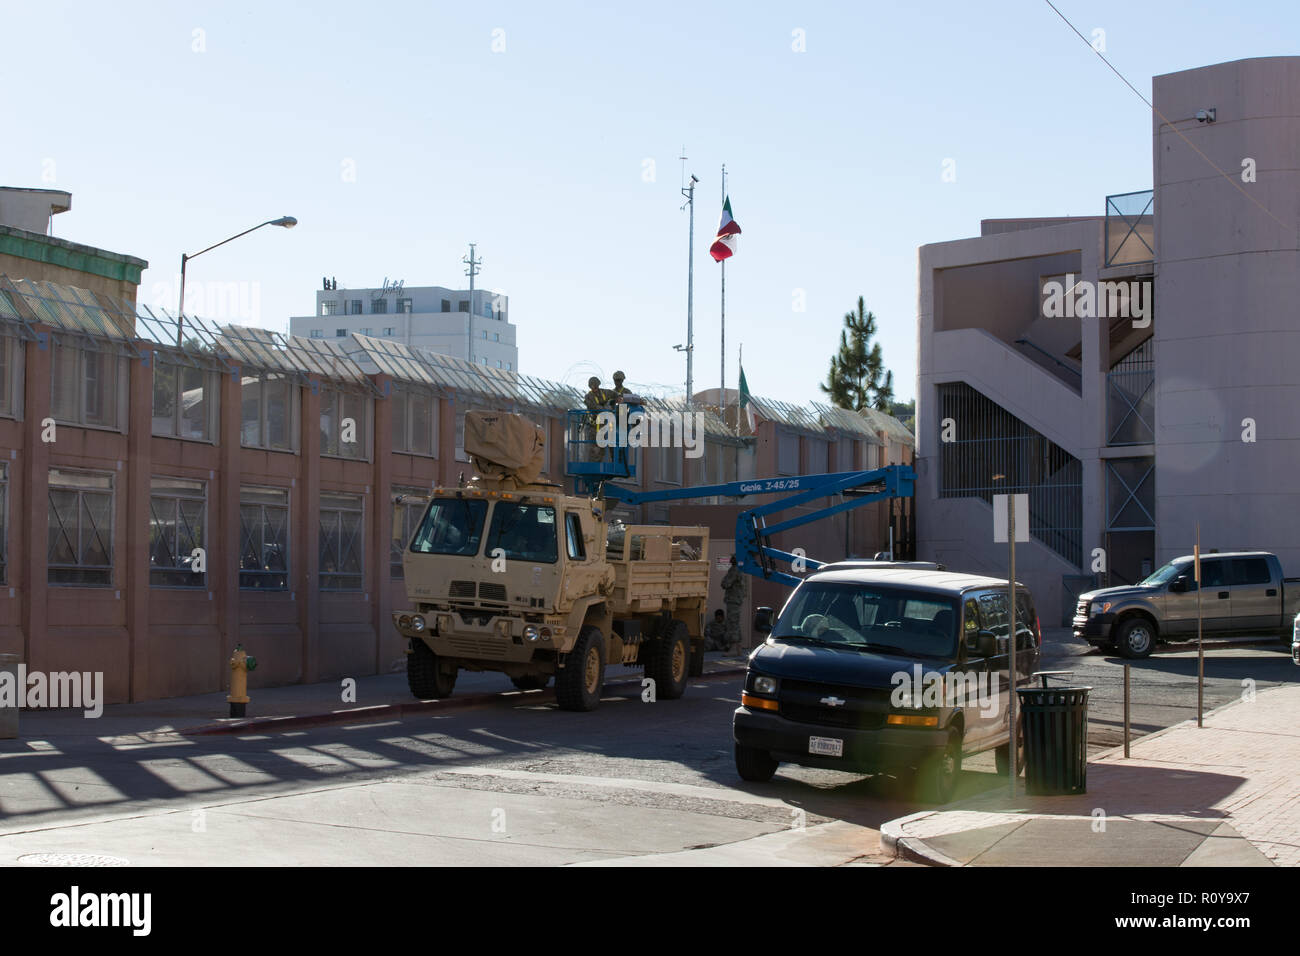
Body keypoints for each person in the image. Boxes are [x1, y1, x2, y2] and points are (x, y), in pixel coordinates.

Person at [722, 555, 748, 651]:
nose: (730, 560)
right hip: (736, 600)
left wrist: (724, 581)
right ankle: (738, 649)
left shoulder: (734, 570)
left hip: (733, 600)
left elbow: (725, 583)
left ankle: (733, 648)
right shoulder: (741, 570)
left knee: (732, 623)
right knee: (735, 623)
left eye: (732, 558)